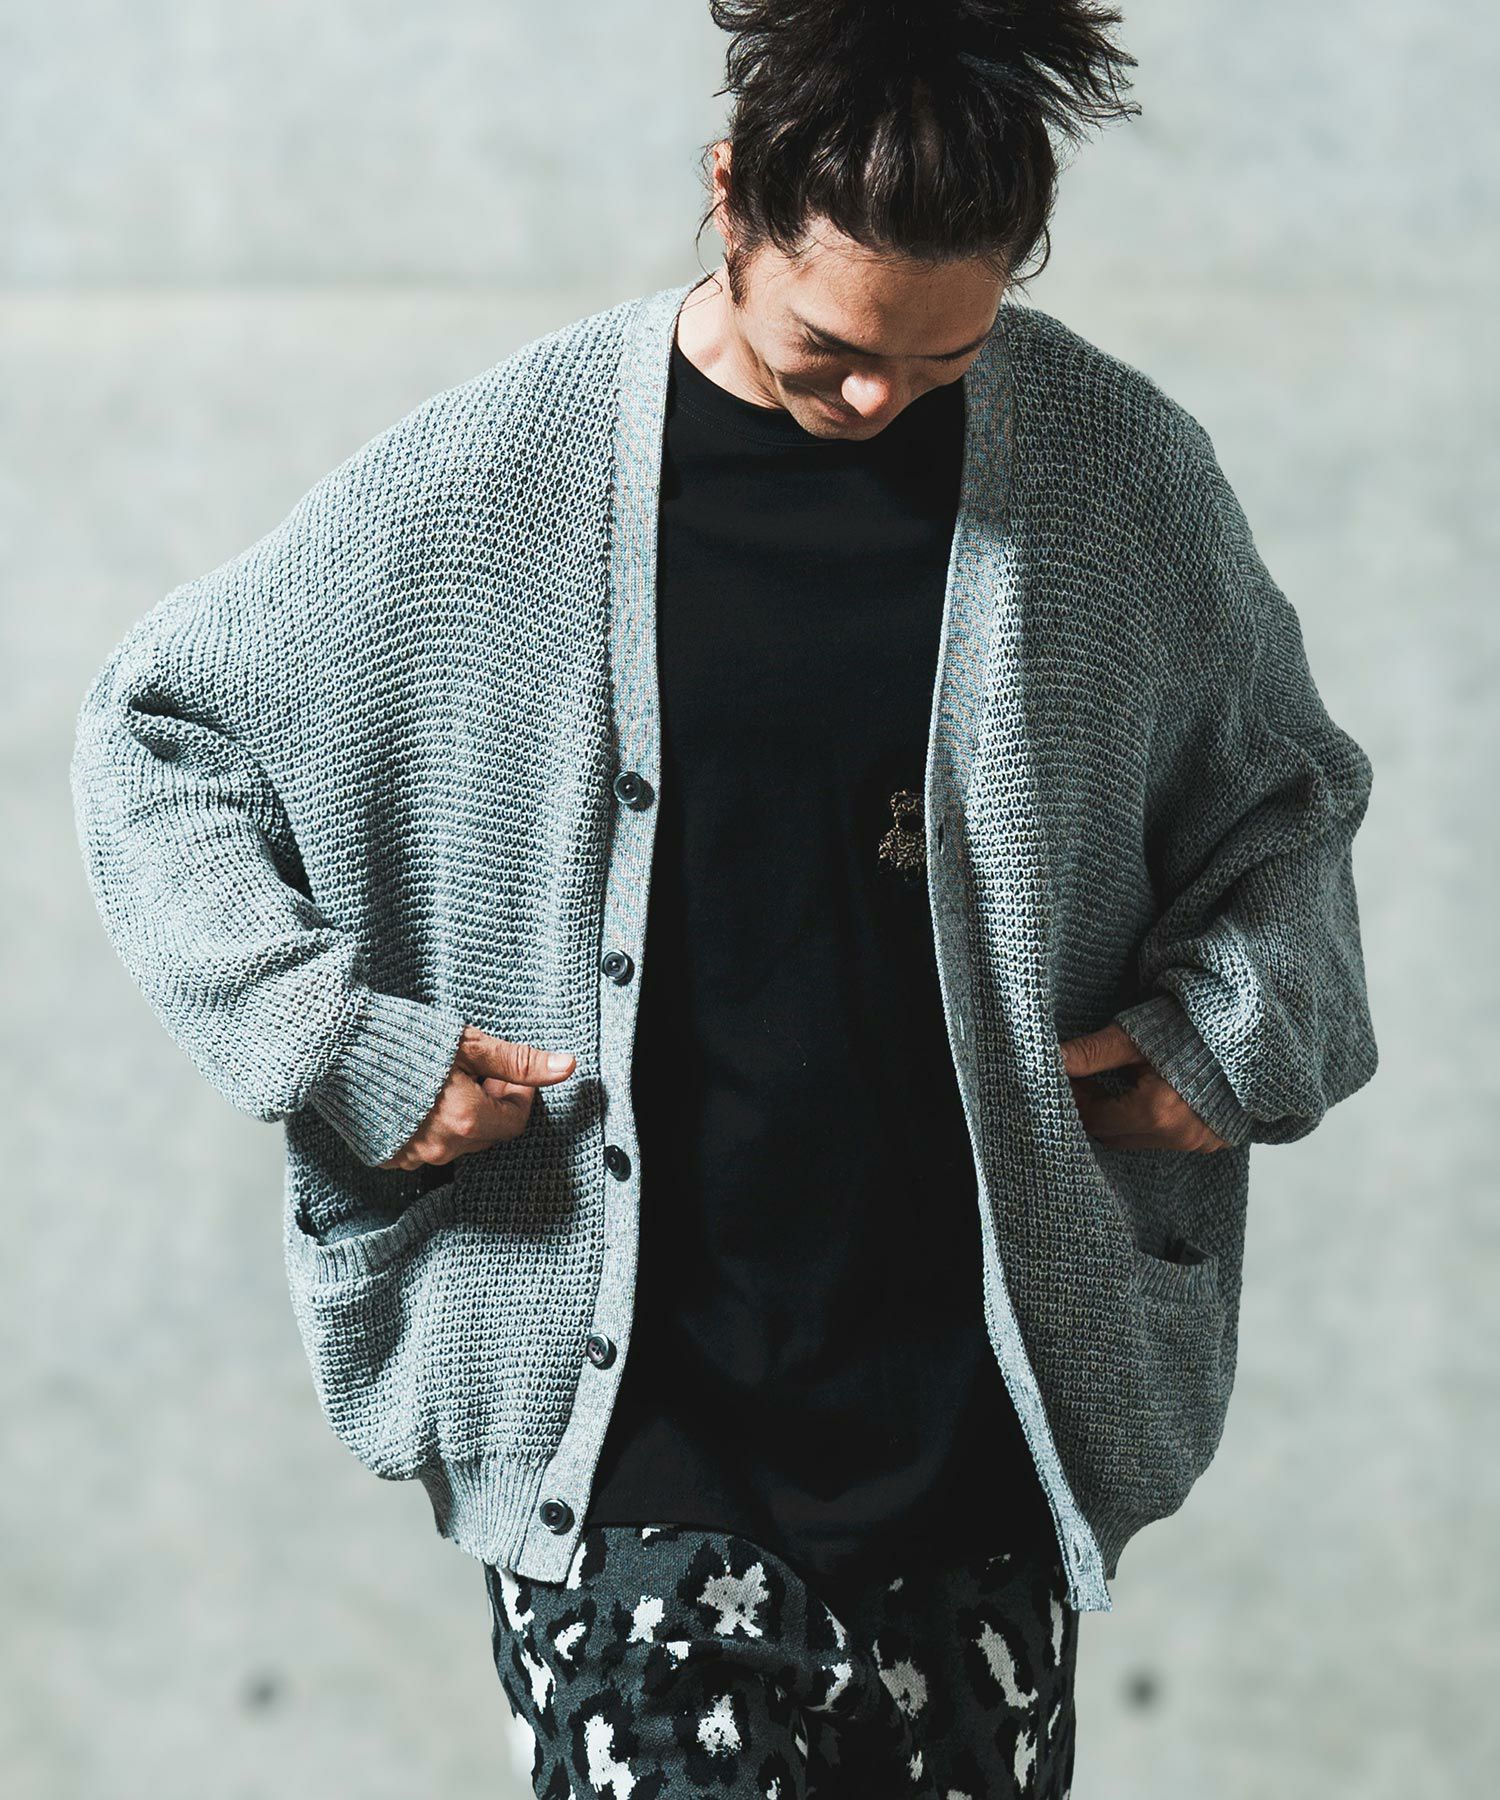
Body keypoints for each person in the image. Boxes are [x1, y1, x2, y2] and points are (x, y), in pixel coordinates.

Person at [71, 4, 1379, 1796]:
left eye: (942, 357)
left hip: (975, 1418)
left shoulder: (1110, 470)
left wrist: (1227, 1039)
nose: (877, 400)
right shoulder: (513, 474)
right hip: (630, 1423)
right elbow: (162, 733)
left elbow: (1289, 805)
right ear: (729, 197)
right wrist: (335, 1044)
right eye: (830, 345)